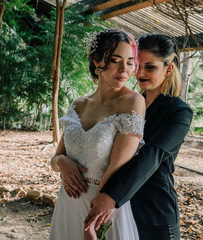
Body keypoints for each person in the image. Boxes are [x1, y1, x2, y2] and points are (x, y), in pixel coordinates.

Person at [84, 34, 193, 239]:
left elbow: (151, 156)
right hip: (122, 211)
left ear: (168, 69)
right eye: (138, 65)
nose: (140, 73)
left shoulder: (178, 112)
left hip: (154, 212)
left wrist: (110, 197)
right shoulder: (129, 103)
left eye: (150, 67)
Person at [49, 29, 146, 240]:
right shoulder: (79, 103)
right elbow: (55, 159)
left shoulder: (133, 102)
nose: (124, 69)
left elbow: (118, 166)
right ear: (96, 60)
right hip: (68, 202)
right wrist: (63, 162)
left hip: (103, 204)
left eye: (130, 62)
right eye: (115, 60)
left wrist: (92, 222)